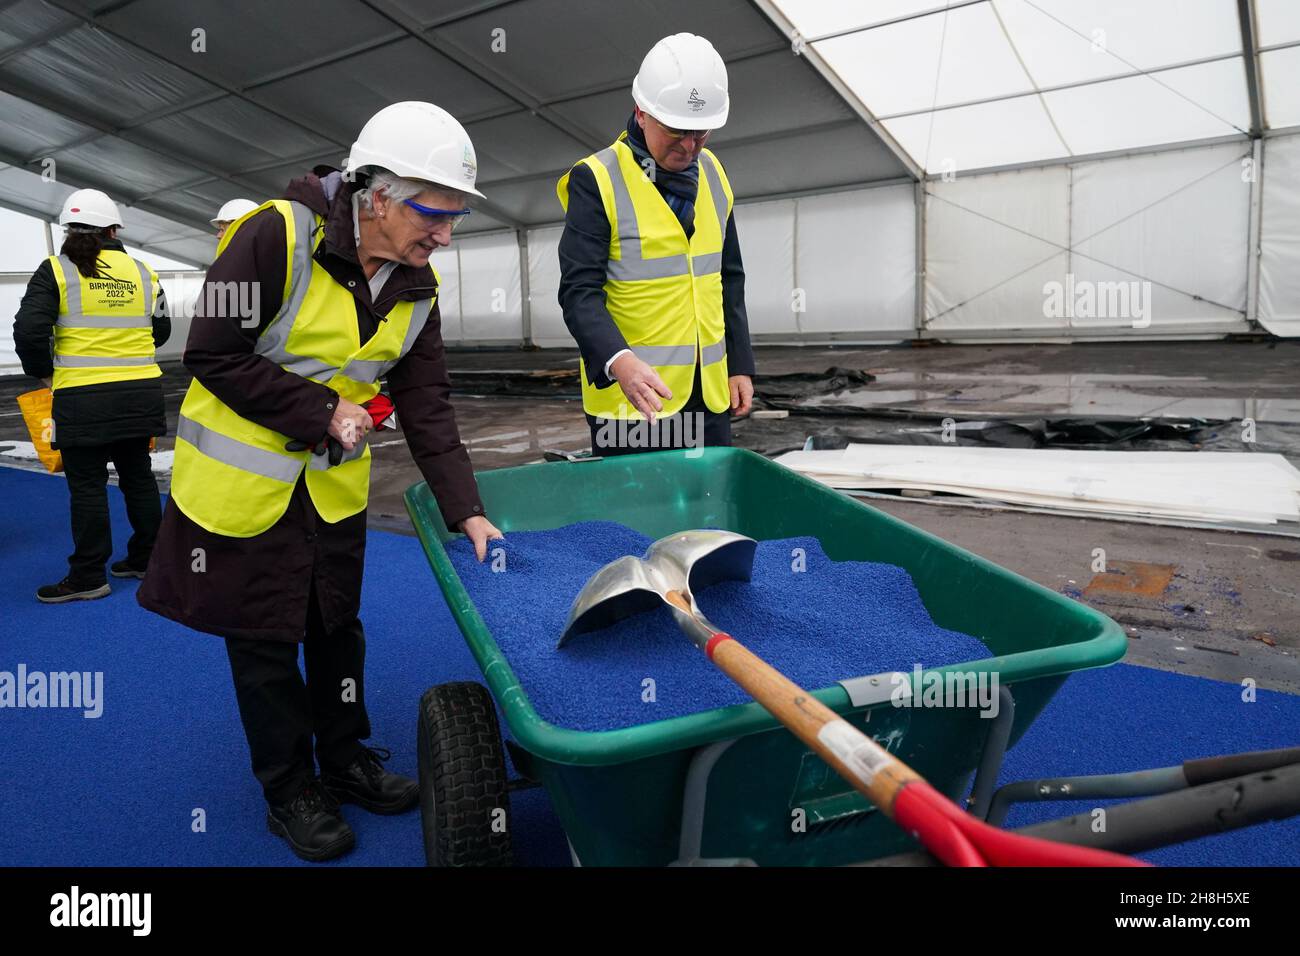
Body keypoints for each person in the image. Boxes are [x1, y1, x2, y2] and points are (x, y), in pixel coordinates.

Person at [136, 101, 503, 862]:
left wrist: (467, 509)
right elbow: (211, 353)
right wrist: (321, 408)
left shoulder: (417, 284)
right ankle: (289, 789)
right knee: (264, 642)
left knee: (337, 628)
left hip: (331, 492)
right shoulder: (272, 235)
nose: (445, 235)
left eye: (455, 217)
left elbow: (426, 402)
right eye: (435, 214)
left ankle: (345, 760)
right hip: (242, 491)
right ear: (378, 196)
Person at [557, 32, 755, 456]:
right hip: (634, 404)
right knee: (639, 520)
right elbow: (579, 294)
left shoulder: (714, 172)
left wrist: (738, 365)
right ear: (641, 113)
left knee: (709, 514)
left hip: (709, 397)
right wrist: (619, 361)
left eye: (701, 133)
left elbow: (728, 277)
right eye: (677, 131)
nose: (690, 146)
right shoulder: (597, 179)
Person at [11, 189, 171, 602]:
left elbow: (29, 331)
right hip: (141, 393)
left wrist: (44, 374)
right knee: (137, 476)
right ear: (114, 229)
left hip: (83, 399)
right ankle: (148, 559)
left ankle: (88, 577)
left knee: (88, 486)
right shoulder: (142, 271)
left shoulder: (55, 270)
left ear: (67, 229)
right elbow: (163, 331)